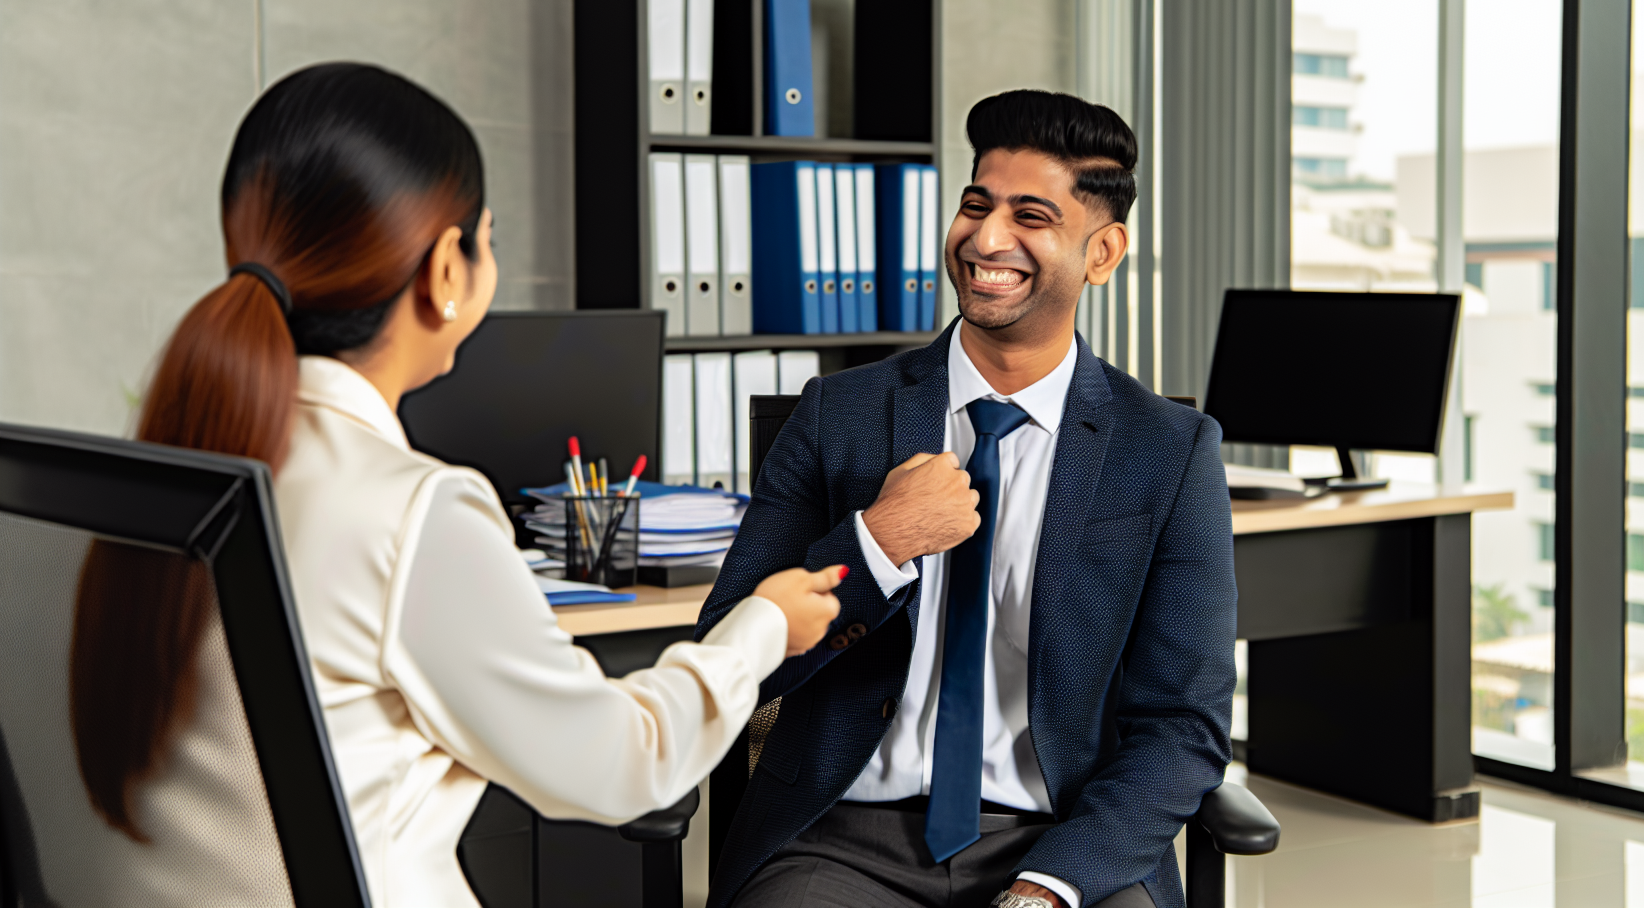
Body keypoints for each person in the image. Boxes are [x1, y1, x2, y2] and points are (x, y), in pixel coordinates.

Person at [70, 62, 844, 908]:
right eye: (488, 238)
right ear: (447, 269)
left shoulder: (173, 457)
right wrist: (765, 625)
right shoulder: (411, 511)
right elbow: (626, 764)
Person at [698, 90, 1236, 908]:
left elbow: (1183, 725)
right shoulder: (839, 415)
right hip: (840, 839)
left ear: (1103, 252)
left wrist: (1050, 888)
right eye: (975, 205)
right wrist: (875, 544)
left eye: (1031, 216)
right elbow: (730, 656)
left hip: (1058, 840)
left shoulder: (1167, 451)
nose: (986, 239)